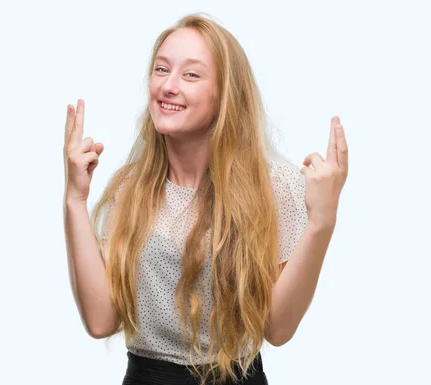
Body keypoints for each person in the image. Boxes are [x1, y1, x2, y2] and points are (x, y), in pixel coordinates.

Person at [62, 13, 348, 385]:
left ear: (225, 93)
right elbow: (101, 321)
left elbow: (277, 328)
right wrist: (74, 199)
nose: (168, 85)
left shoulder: (275, 186)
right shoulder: (129, 190)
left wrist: (321, 221)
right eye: (161, 69)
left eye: (191, 74)